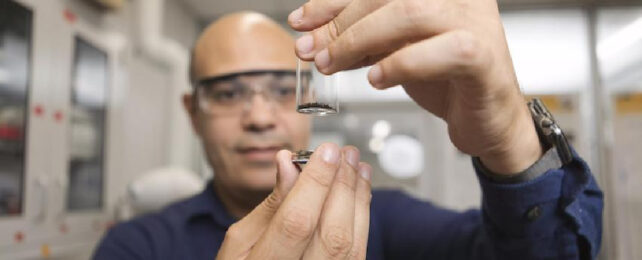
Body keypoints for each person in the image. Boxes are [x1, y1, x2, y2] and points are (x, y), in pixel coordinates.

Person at [93, 0, 603, 258]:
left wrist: (509, 139)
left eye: (278, 88)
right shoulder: (138, 247)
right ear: (191, 111)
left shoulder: (388, 220)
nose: (260, 116)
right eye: (228, 93)